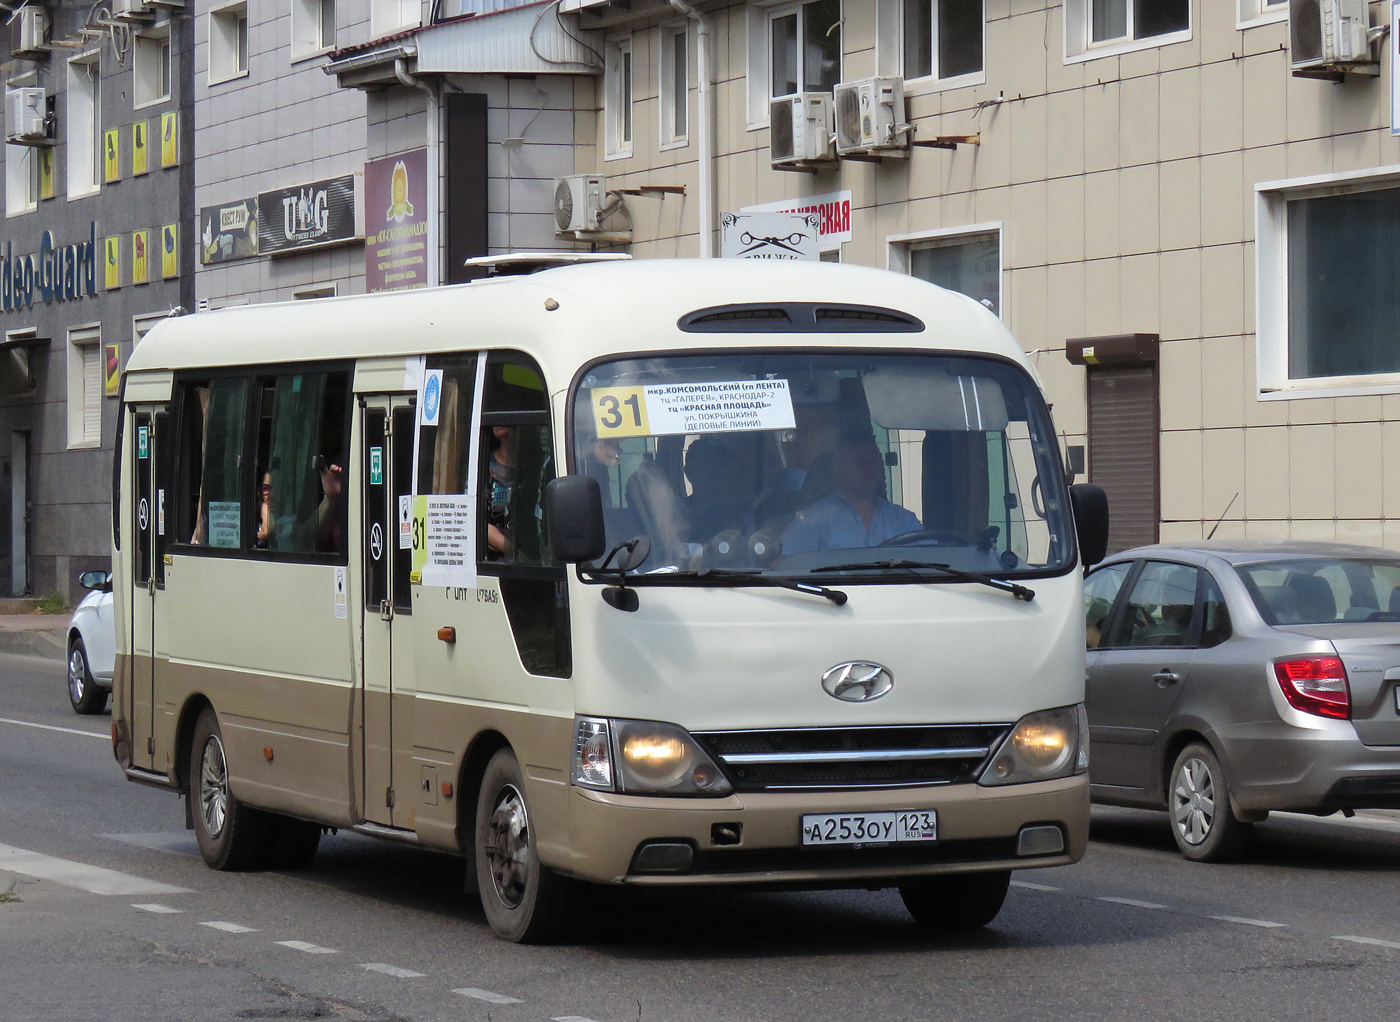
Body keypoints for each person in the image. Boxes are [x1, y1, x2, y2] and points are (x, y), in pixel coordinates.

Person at [780, 436, 921, 555]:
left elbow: (933, 563)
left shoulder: (904, 520)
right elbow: (782, 566)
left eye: (873, 461)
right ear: (839, 470)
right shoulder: (813, 521)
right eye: (860, 462)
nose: (869, 468)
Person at [486, 425, 515, 558]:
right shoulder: (484, 466)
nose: (498, 421)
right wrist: (512, 550)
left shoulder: (538, 465)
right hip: (499, 563)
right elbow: (476, 522)